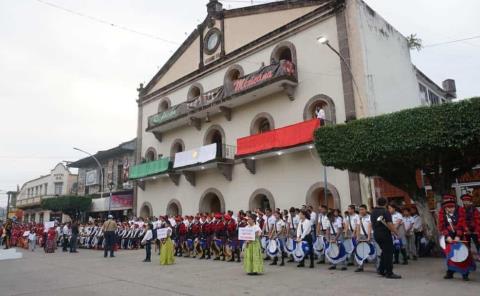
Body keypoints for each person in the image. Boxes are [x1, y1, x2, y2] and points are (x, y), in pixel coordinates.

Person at [438, 194, 476, 281]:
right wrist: (447, 236)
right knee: (451, 256)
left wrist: (458, 236)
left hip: (460, 237)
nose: (450, 209)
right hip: (449, 238)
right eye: (448, 208)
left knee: (463, 256)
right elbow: (441, 227)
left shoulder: (460, 213)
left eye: (452, 207)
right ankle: (450, 272)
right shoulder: (442, 215)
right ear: (445, 208)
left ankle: (465, 274)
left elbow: (461, 225)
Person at [371, 198, 401, 279]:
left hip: (376, 234)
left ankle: (381, 270)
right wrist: (396, 232)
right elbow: (390, 224)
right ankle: (389, 272)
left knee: (384, 252)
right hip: (384, 235)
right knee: (389, 253)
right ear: (386, 203)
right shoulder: (385, 211)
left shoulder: (373, 212)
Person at [354, 204, 372, 272]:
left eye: (362, 209)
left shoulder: (370, 217)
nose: (361, 211)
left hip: (369, 235)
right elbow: (358, 227)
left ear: (366, 210)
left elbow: (370, 227)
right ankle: (360, 266)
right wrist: (357, 237)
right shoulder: (359, 218)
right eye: (360, 210)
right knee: (360, 251)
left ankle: (378, 267)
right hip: (361, 236)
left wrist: (369, 237)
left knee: (372, 251)